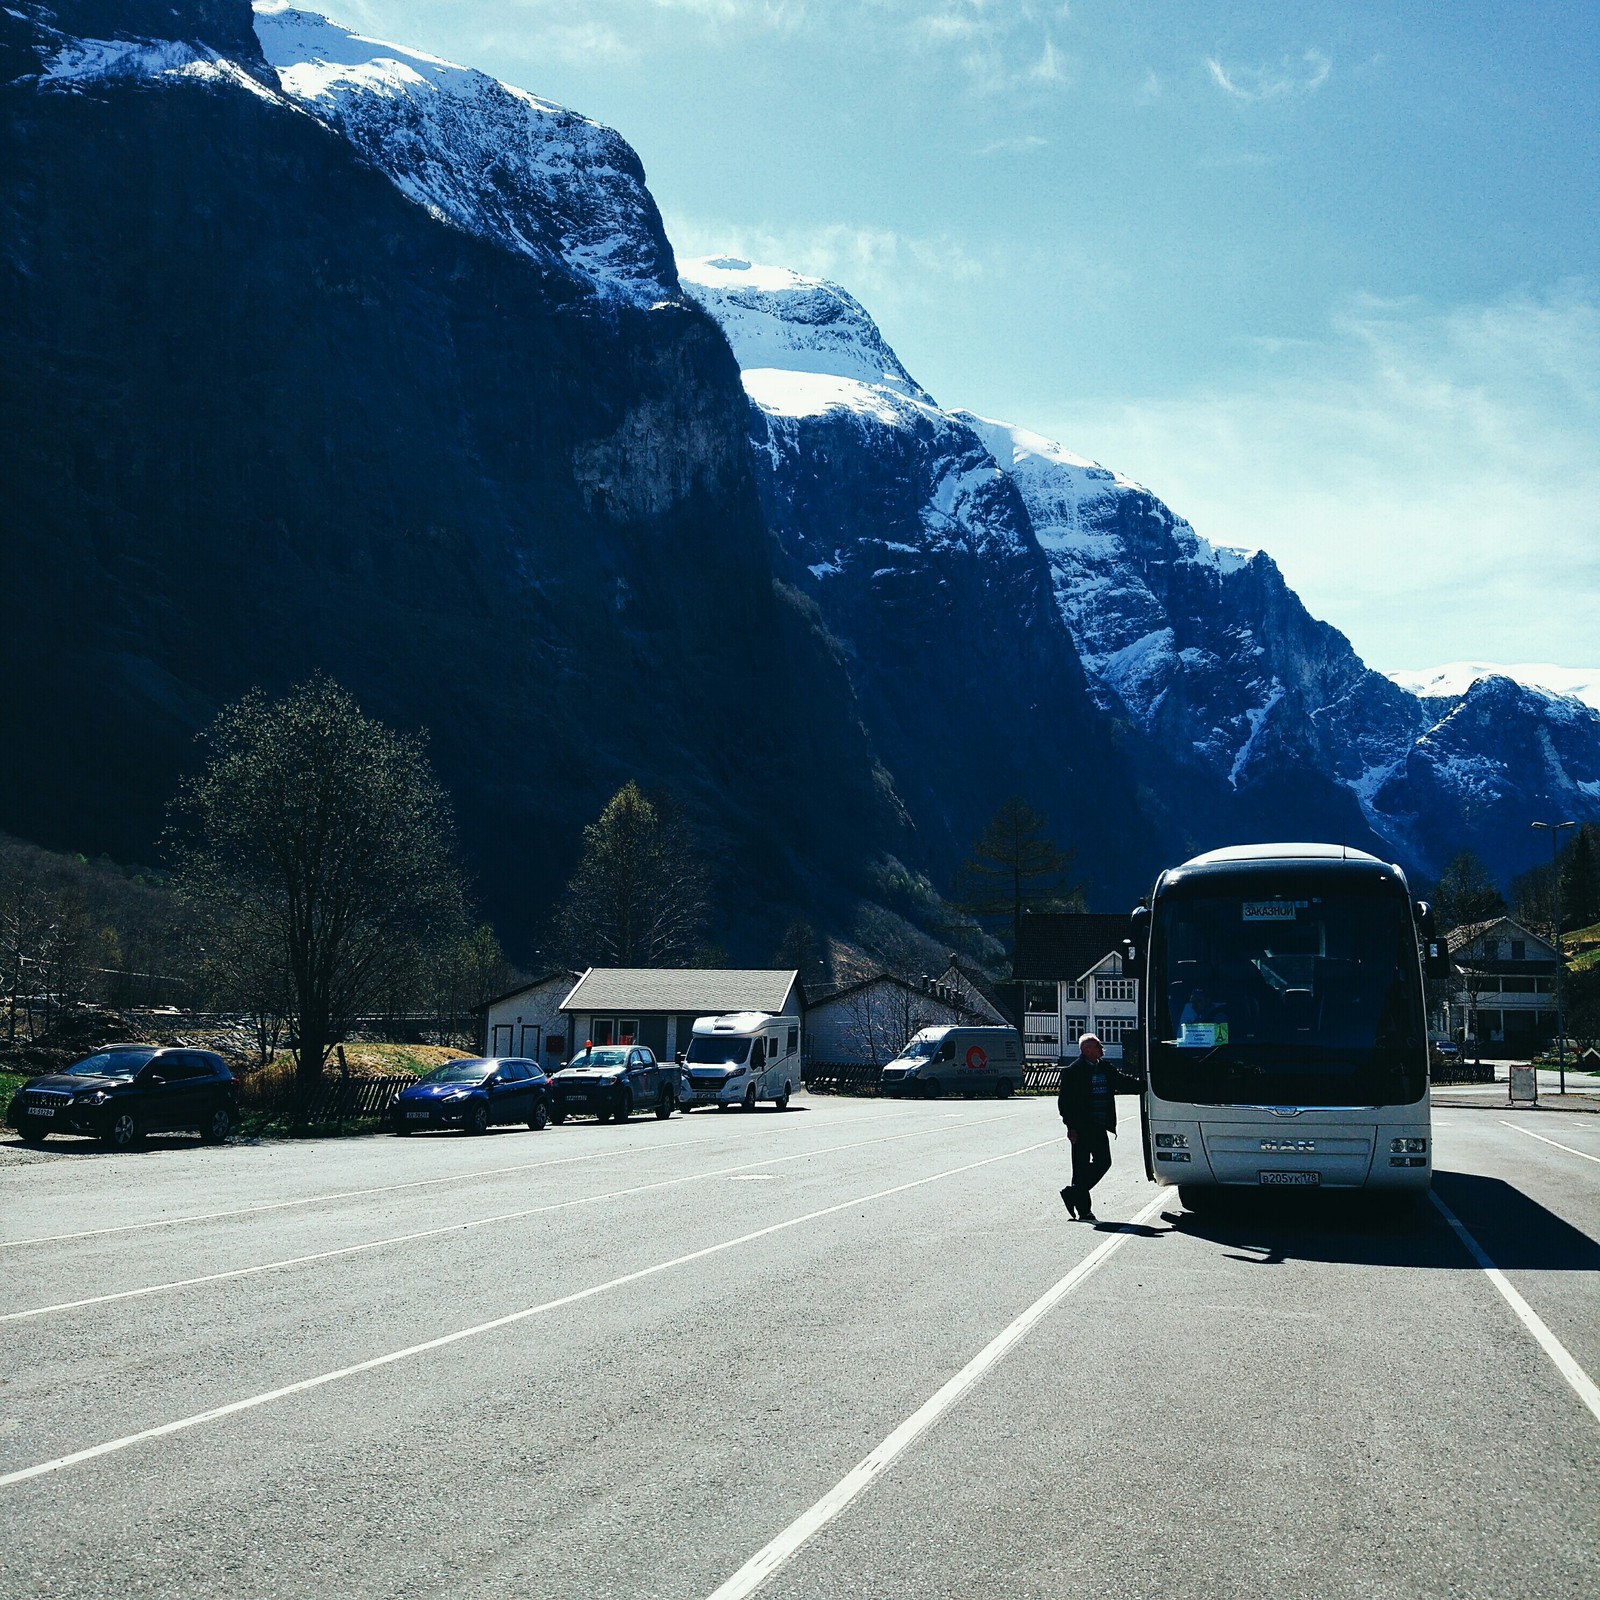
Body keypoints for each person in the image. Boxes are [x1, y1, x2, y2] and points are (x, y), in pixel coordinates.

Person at [1056, 1032, 1116, 1221]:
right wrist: (1071, 1127)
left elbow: (1123, 1081)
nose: (1102, 1048)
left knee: (1104, 1162)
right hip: (1081, 1128)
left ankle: (1073, 1192)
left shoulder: (1104, 1067)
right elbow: (1065, 1103)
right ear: (1087, 1050)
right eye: (1098, 1046)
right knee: (1080, 1167)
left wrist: (1149, 1085)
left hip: (1099, 1126)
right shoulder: (1073, 1071)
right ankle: (1084, 1211)